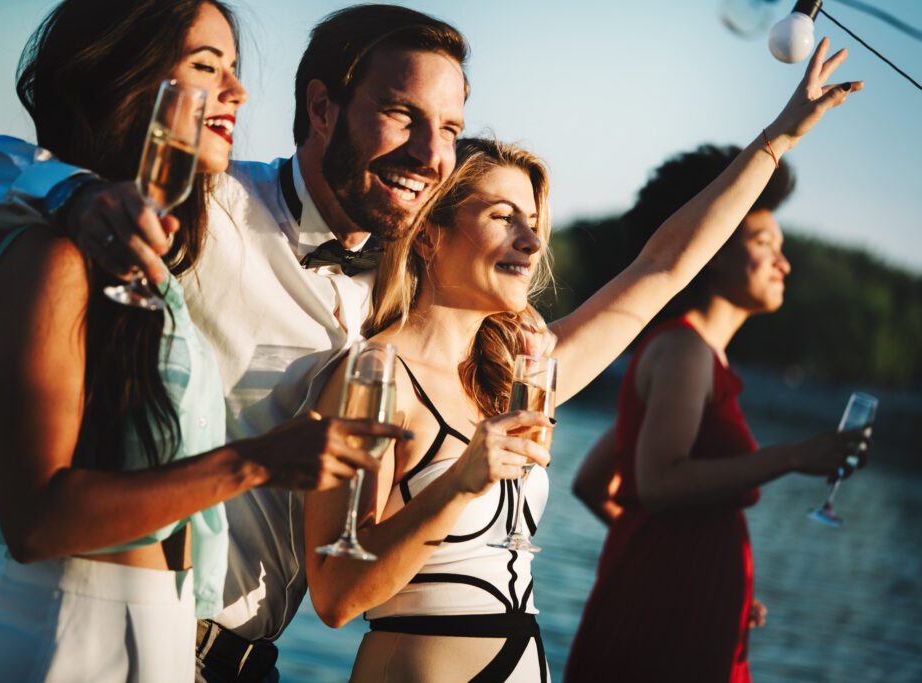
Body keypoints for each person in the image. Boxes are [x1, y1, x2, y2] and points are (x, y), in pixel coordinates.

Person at [0, 5, 470, 680]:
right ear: (323, 108)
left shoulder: (412, 290)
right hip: (128, 628)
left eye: (450, 128)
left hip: (247, 661)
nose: (432, 152)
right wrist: (72, 193)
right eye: (402, 114)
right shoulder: (203, 204)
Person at [303, 38, 862, 681]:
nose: (532, 239)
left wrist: (775, 141)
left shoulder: (524, 376)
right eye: (503, 216)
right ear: (428, 234)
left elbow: (665, 264)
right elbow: (336, 595)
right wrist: (462, 481)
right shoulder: (373, 377)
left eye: (536, 221)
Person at [564, 145, 872, 682]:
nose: (785, 262)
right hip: (663, 633)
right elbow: (658, 482)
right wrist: (796, 454)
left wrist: (691, 574)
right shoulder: (684, 351)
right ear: (712, 249)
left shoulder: (695, 354)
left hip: (676, 606)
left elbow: (593, 481)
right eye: (763, 243)